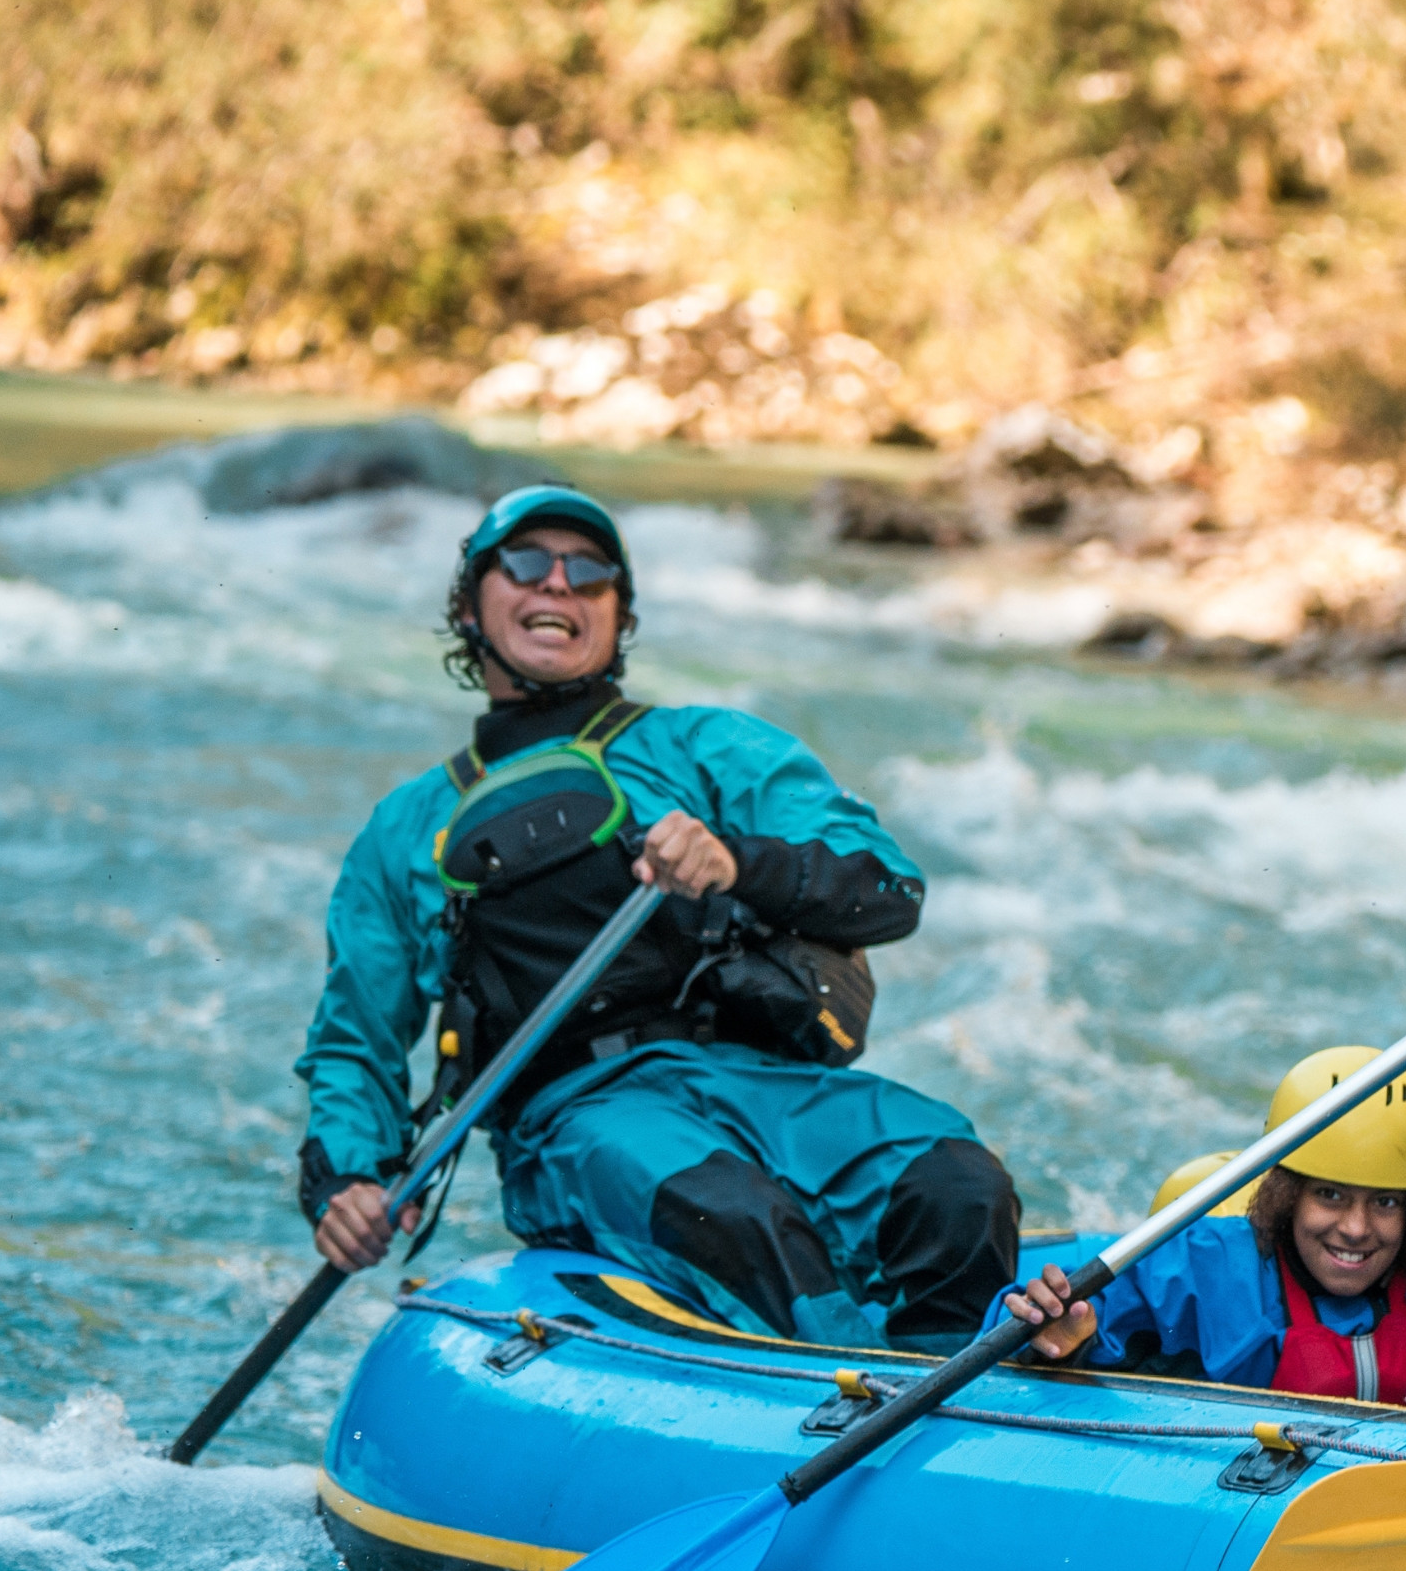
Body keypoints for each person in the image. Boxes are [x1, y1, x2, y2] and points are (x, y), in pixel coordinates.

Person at [299, 485, 1020, 1350]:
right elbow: (357, 1040)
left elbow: (887, 889)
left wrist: (737, 860)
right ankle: (852, 1391)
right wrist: (348, 1177)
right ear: (470, 603)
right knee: (732, 1216)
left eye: (591, 572)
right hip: (574, 1119)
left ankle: (954, 1407)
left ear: (618, 613)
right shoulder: (408, 827)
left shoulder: (708, 748)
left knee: (956, 1183)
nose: (558, 585)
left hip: (759, 1083)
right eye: (526, 562)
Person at [990, 964, 1406, 1414]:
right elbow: (1049, 1313)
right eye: (1331, 1195)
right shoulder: (1208, 1266)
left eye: (1386, 1201)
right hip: (1240, 1504)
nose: (1357, 1229)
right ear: (1286, 1195)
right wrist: (1063, 1336)